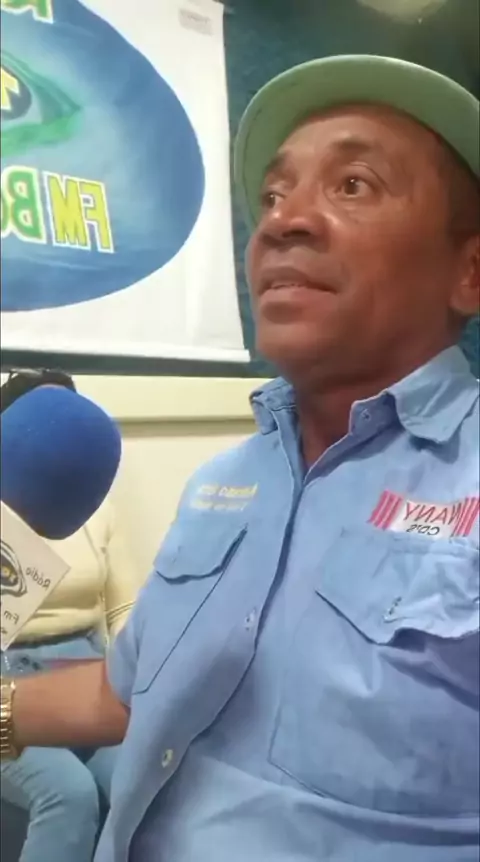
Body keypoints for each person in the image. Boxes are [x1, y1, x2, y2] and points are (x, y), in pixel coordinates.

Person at [1, 55, 479, 862]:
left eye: (353, 184)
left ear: (469, 271)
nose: (284, 223)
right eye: (273, 197)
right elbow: (131, 691)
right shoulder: (222, 485)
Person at [1, 370, 140, 862]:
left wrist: (138, 679)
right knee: (69, 795)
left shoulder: (94, 507)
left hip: (87, 671)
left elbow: (124, 606)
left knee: (141, 780)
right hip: (7, 677)